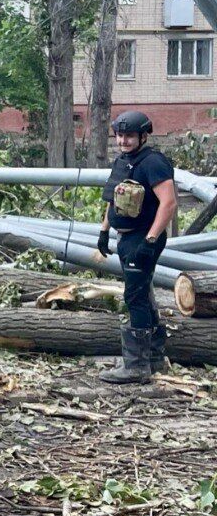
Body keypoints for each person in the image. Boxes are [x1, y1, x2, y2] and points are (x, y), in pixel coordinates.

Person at [96, 110, 177, 384]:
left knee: (135, 297)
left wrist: (150, 240)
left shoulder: (153, 163)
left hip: (143, 238)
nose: (123, 140)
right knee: (142, 292)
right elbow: (112, 199)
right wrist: (104, 231)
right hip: (125, 238)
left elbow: (169, 203)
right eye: (119, 135)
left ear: (143, 135)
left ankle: (136, 366)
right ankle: (154, 359)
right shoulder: (122, 161)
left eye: (129, 135)